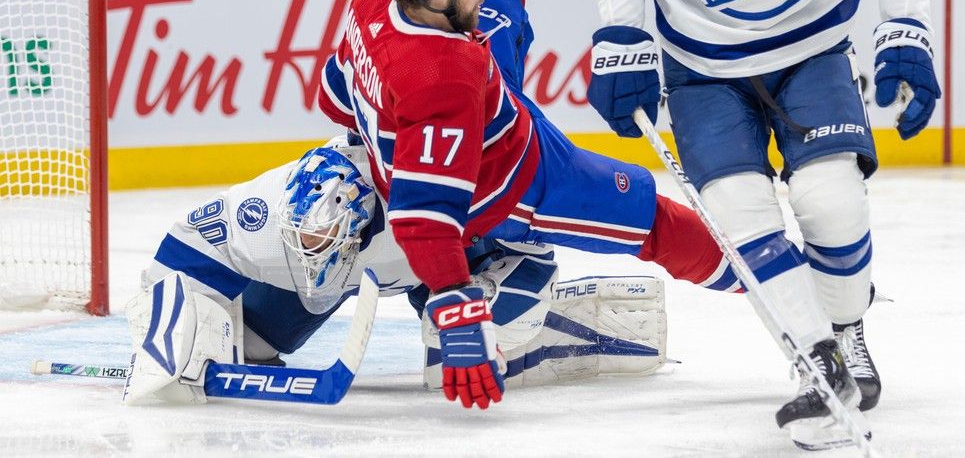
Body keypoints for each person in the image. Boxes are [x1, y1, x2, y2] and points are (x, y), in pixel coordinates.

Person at [584, 0, 939, 449]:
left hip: (811, 54)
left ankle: (847, 327)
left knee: (831, 202)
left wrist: (906, 31)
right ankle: (817, 361)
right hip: (703, 71)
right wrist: (621, 41)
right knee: (739, 215)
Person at [318, 0, 742, 412]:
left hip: (491, 105)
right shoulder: (440, 78)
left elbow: (334, 96)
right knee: (652, 218)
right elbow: (426, 219)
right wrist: (457, 310)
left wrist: (372, 122)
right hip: (508, 184)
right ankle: (763, 276)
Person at [122, 136, 675, 404]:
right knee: (245, 348)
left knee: (458, 354)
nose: (311, 251)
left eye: (323, 242)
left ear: (363, 224)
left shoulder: (427, 199)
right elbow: (180, 251)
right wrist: (164, 334)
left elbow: (531, 231)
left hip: (450, 265)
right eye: (305, 241)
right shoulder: (263, 212)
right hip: (369, 274)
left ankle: (552, 331)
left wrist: (494, 291)